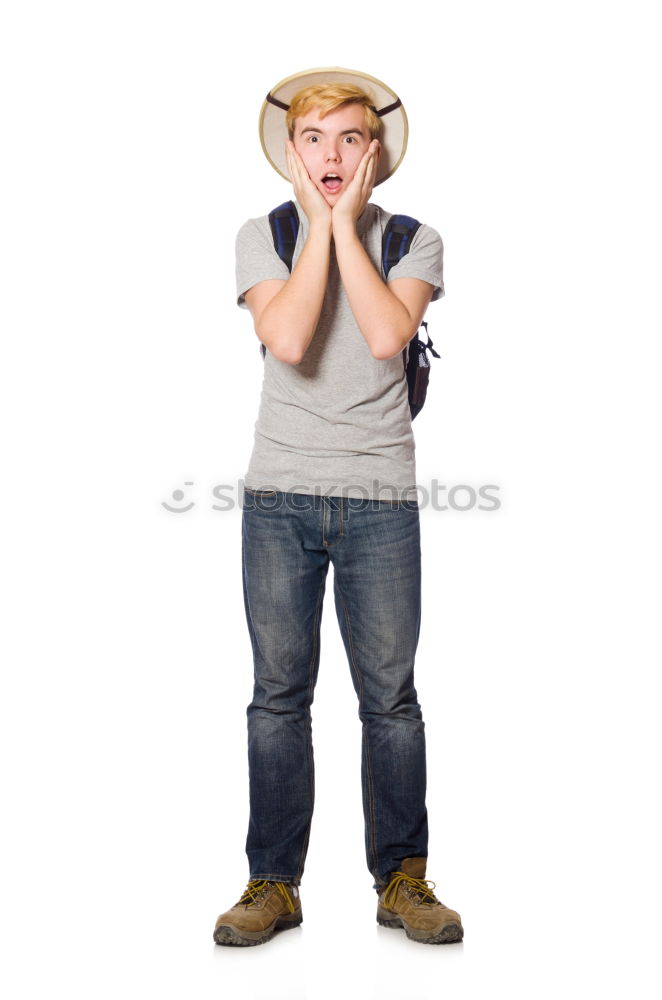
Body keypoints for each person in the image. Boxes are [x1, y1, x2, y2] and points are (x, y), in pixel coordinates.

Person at [213, 67, 463, 947]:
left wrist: (343, 226)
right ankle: (272, 883)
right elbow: (285, 338)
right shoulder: (261, 236)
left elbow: (389, 334)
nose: (332, 153)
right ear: (292, 151)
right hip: (278, 497)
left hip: (380, 503)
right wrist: (317, 229)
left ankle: (404, 878)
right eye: (315, 139)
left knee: (389, 699)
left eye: (350, 138)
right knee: (278, 698)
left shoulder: (415, 240)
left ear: (375, 154)